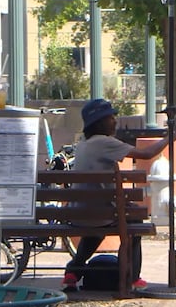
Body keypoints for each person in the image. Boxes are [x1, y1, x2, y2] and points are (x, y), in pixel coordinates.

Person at [62, 98, 169, 293]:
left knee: (97, 227)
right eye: (110, 117)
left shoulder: (83, 144)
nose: (115, 120)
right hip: (100, 214)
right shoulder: (105, 142)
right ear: (100, 122)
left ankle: (73, 272)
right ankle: (131, 277)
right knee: (135, 225)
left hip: (79, 214)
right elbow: (145, 155)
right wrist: (169, 137)